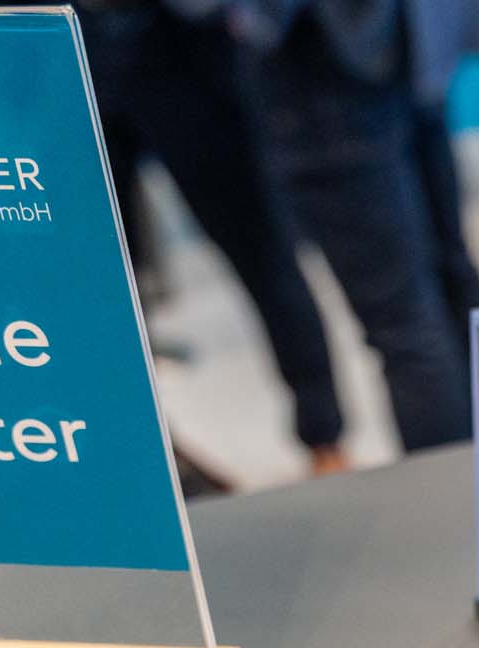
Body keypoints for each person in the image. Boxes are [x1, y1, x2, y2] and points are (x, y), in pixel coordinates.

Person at [75, 0, 352, 472]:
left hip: (183, 47)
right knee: (99, 284)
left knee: (263, 250)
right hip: (61, 47)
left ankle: (325, 439)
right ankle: (143, 453)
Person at [241, 0, 479, 453]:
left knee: (408, 322)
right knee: (446, 285)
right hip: (405, 46)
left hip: (330, 60)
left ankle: (457, 491)